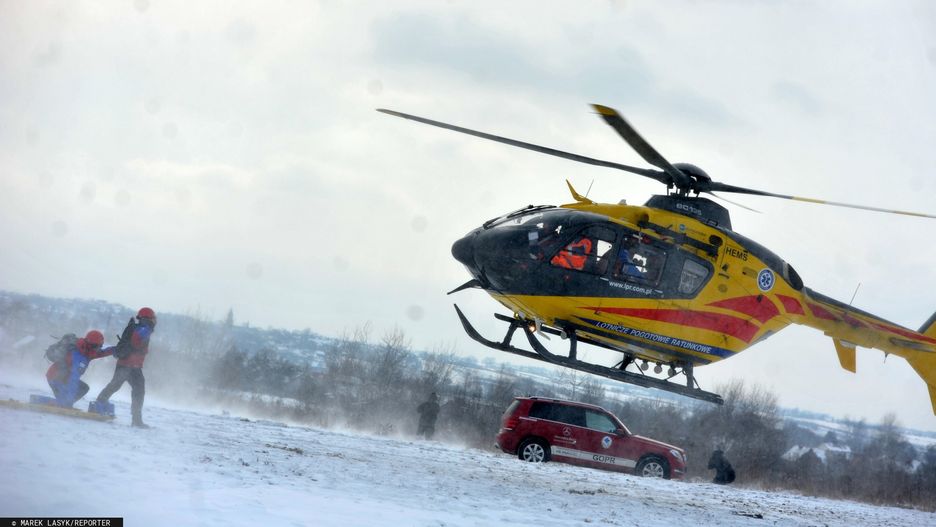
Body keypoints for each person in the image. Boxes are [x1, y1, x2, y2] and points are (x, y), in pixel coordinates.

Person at [95, 307, 157, 428]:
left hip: (128, 364)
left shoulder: (137, 327)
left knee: (115, 385)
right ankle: (136, 420)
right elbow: (135, 342)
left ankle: (99, 404)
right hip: (130, 365)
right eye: (153, 318)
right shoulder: (144, 329)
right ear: (148, 318)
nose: (155, 321)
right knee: (136, 391)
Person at [46, 330, 113, 408]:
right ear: (89, 344)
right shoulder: (77, 355)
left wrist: (116, 350)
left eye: (100, 346)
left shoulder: (88, 352)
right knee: (66, 397)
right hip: (55, 378)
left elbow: (102, 352)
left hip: (65, 378)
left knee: (84, 388)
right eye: (96, 346)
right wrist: (69, 400)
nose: (98, 349)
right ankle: (63, 403)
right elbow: (73, 379)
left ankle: (63, 403)